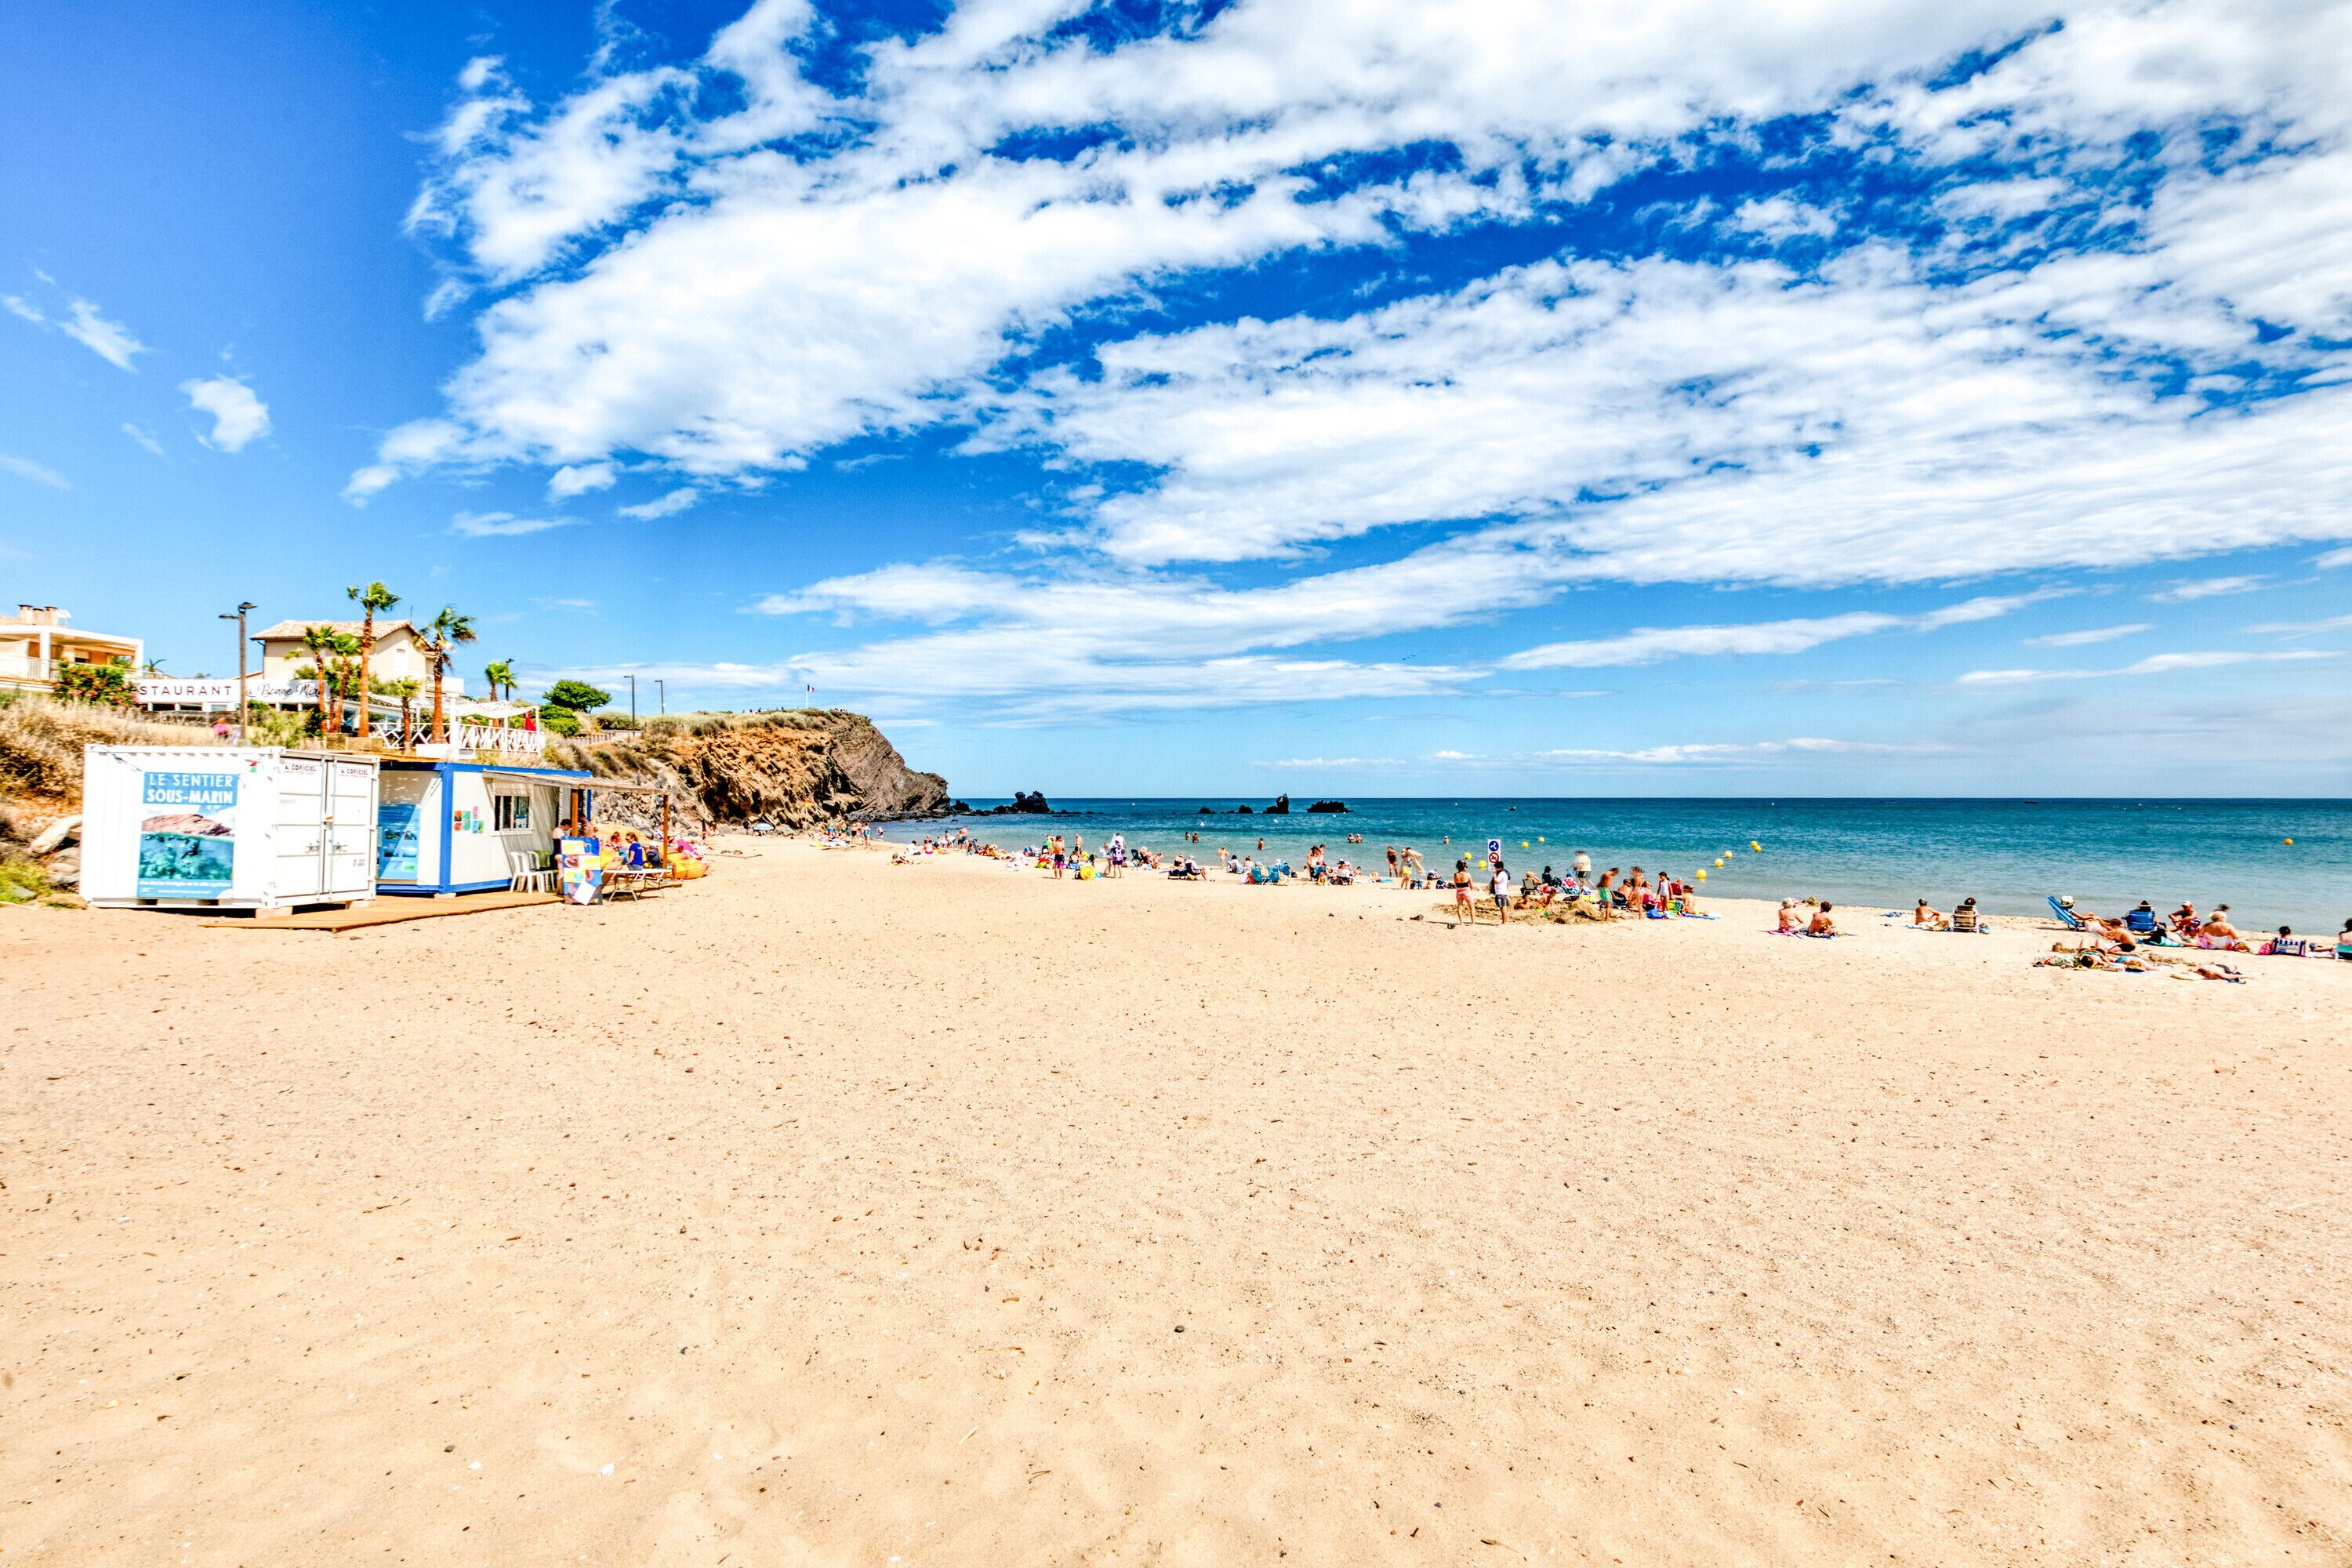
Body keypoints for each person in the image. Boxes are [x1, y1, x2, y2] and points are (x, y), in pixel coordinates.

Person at [1452, 858, 1474, 926]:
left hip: (1459, 892)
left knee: (1460, 907)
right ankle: (1473, 923)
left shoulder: (1455, 875)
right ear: (1464, 867)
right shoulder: (1468, 874)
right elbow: (1471, 885)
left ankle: (1461, 923)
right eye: (1466, 866)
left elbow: (1455, 885)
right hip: (1466, 892)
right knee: (1471, 907)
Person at [1490, 859, 1512, 924]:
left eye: (1496, 868)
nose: (1495, 869)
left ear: (1500, 868)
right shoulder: (1502, 873)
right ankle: (1504, 921)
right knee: (1502, 907)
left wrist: (1494, 874)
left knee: (1503, 907)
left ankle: (1504, 922)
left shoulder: (1502, 873)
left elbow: (1496, 881)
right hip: (1501, 892)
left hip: (1501, 892)